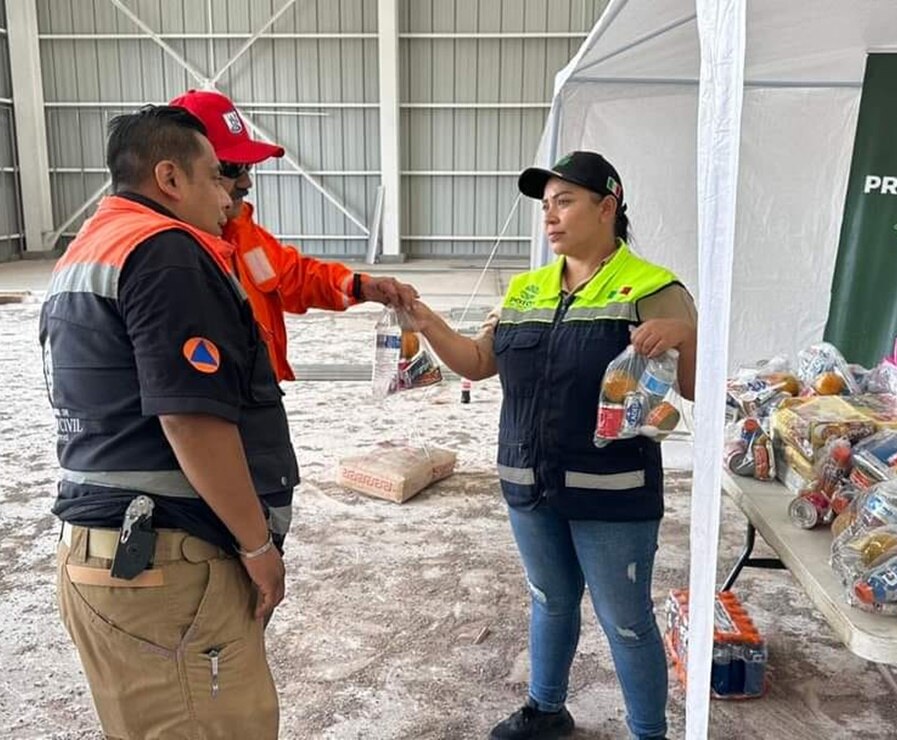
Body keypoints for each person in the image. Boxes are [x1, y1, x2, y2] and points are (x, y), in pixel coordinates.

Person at [405, 151, 697, 740]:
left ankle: (648, 733)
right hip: (527, 482)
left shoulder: (653, 289)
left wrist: (689, 335)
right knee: (550, 599)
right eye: (545, 206)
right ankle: (547, 710)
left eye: (564, 202)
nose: (550, 217)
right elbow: (479, 362)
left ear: (606, 206)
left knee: (627, 621)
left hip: (612, 493)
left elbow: (693, 386)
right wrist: (425, 319)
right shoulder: (526, 290)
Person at [39, 105, 296, 738]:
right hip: (167, 566)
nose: (230, 197)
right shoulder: (166, 253)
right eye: (217, 177)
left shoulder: (90, 247)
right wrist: (257, 546)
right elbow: (191, 418)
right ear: (170, 178)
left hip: (105, 559)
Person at [170, 89, 418, 382]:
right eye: (230, 168)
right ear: (174, 176)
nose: (246, 182)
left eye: (247, 166)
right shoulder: (170, 259)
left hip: (256, 404)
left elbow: (295, 276)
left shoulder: (241, 234)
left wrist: (360, 286)